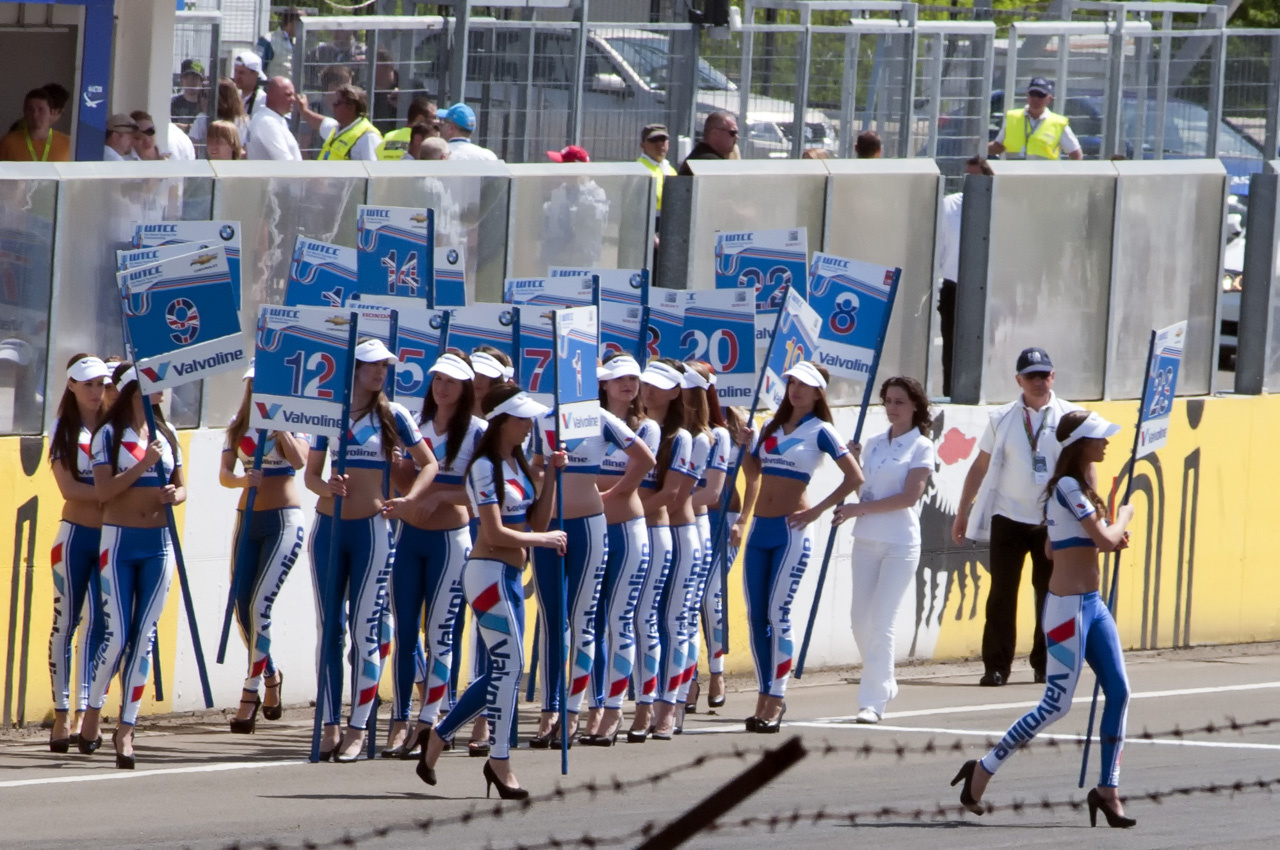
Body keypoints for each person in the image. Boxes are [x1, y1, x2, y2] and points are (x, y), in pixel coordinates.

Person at [953, 410, 1135, 828]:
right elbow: (1104, 540)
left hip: (1093, 605)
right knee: (1056, 704)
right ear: (1079, 445)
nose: (1106, 444)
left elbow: (1054, 550)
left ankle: (1108, 789)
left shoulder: (1078, 489)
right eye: (1099, 438)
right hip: (1066, 609)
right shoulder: (1069, 486)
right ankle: (982, 769)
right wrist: (1121, 518)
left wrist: (1093, 537)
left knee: (1121, 692)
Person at [414, 385, 568, 800]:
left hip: (512, 577)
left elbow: (536, 520)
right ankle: (499, 761)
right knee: (512, 665)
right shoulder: (484, 466)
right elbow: (496, 533)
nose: (529, 424)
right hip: (487, 577)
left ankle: (439, 735)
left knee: (505, 668)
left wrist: (552, 475)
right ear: (503, 420)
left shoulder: (516, 462)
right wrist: (547, 540)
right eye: (522, 418)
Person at [304, 339, 438, 761]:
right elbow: (310, 475)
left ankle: (359, 727)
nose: (380, 373)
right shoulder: (330, 412)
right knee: (329, 631)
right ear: (355, 369)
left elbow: (429, 462)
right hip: (328, 527)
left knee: (366, 633)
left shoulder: (394, 415)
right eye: (372, 366)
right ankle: (329, 724)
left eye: (385, 366)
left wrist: (411, 498)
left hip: (374, 531)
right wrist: (326, 486)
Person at [735, 361, 863, 732]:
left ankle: (776, 698)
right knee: (756, 616)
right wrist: (746, 448)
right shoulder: (770, 427)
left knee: (779, 614)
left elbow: (855, 476)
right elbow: (754, 470)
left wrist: (818, 511)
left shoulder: (821, 431)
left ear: (818, 392)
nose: (796, 390)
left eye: (805, 385)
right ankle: (762, 695)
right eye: (792, 382)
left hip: (792, 530)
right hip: (760, 527)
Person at [528, 355, 646, 745]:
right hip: (549, 527)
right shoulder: (542, 418)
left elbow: (644, 458)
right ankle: (549, 712)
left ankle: (573, 711)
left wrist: (613, 492)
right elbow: (532, 464)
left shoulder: (600, 418)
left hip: (591, 528)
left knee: (584, 620)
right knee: (550, 621)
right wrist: (546, 472)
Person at [952, 347, 1082, 687]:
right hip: (1008, 517)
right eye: (1031, 376)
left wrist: (1089, 512)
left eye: (1045, 374)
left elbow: (1085, 467)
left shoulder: (1070, 416)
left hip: (1051, 521)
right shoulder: (1002, 418)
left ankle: (1045, 663)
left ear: (1053, 376)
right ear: (1018, 380)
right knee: (1002, 594)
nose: (1039, 381)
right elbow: (979, 466)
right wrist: (963, 510)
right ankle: (996, 666)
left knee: (1049, 594)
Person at [380, 353, 486, 758]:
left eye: (452, 381)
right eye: (437, 379)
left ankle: (432, 720)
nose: (442, 388)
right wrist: (395, 469)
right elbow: (406, 483)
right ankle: (400, 720)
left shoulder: (478, 432)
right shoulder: (414, 426)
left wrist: (443, 493)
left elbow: (485, 493)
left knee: (441, 637)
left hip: (450, 543)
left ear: (465, 388)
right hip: (408, 539)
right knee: (405, 635)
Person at [79, 363, 185, 769]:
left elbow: (182, 483)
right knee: (118, 632)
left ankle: (127, 728)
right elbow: (104, 491)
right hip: (119, 541)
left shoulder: (167, 432)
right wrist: (142, 467)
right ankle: (93, 710)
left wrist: (176, 494)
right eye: (151, 384)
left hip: (158, 542)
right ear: (131, 390)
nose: (160, 390)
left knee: (146, 636)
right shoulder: (109, 434)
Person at [832, 377, 934, 724]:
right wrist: (854, 463)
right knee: (859, 619)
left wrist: (856, 510)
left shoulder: (921, 446)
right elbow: (866, 495)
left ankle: (872, 701)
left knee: (882, 621)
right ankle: (885, 679)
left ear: (915, 406)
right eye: (888, 401)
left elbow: (908, 497)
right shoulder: (873, 444)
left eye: (900, 402)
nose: (892, 408)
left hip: (900, 543)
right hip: (866, 539)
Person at [220, 368, 308, 733]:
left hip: (284, 522)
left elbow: (301, 461)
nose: (259, 390)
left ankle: (249, 694)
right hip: (248, 521)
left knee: (261, 606)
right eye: (255, 384)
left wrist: (280, 425)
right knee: (242, 607)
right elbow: (225, 474)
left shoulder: (294, 419)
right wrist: (243, 479)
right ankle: (270, 674)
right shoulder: (237, 424)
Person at [581, 354, 655, 745]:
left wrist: (609, 494)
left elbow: (643, 467)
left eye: (633, 378)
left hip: (627, 530)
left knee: (619, 619)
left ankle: (615, 709)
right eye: (618, 378)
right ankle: (594, 707)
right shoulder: (586, 421)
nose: (627, 384)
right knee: (589, 621)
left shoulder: (648, 428)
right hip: (592, 531)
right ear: (604, 384)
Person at [46, 355, 112, 752]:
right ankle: (60, 714)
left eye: (101, 383)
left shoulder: (114, 426)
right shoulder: (63, 430)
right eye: (87, 383)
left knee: (102, 628)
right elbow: (69, 489)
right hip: (73, 537)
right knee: (64, 625)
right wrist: (113, 493)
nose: (95, 391)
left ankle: (90, 714)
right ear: (71, 385)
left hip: (111, 538)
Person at [629, 359, 697, 741]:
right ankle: (641, 699)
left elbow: (672, 494)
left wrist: (620, 512)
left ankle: (665, 706)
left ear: (676, 392)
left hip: (659, 532)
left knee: (663, 619)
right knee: (631, 620)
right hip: (630, 531)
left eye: (659, 385)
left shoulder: (680, 438)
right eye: (645, 383)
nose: (648, 391)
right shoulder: (632, 427)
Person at [673, 362, 726, 723]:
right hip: (664, 526)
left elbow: (712, 493)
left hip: (697, 525)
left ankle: (712, 675)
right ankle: (684, 680)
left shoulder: (716, 436)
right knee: (676, 610)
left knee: (703, 602)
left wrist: (667, 503)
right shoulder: (668, 431)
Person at [699, 404, 746, 709]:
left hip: (725, 519)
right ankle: (687, 679)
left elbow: (753, 478)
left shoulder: (733, 420)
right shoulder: (677, 420)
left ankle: (717, 673)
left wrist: (742, 521)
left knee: (709, 597)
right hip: (688, 517)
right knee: (685, 600)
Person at [936, 155, 994, 398]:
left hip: (989, 288)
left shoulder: (997, 204)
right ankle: (952, 394)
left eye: (976, 178)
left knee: (987, 346)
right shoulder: (949, 205)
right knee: (952, 349)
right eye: (966, 177)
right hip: (954, 287)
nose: (970, 183)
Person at [989, 77, 1082, 161]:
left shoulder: (1058, 123)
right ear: (1027, 96)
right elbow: (998, 146)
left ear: (1049, 99)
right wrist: (980, 148)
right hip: (1014, 175)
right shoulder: (1012, 117)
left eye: (1041, 95)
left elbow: (1075, 153)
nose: (1035, 98)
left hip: (1042, 178)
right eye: (1032, 94)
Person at [303, 84, 381, 161]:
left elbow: (373, 170)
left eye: (338, 102)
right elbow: (320, 122)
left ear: (351, 107)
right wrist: (304, 110)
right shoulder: (337, 129)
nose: (333, 105)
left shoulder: (368, 136)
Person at [0, 88, 71, 162]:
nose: (35, 114)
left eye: (41, 110)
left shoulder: (68, 143)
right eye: (30, 109)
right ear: (24, 112)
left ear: (51, 112)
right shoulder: (8, 143)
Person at [245, 77, 303, 161]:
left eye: (293, 95)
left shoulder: (273, 119)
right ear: (271, 95)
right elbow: (285, 162)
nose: (294, 99)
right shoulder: (267, 122)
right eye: (288, 94)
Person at [678, 111, 738, 175]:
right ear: (715, 134)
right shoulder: (708, 161)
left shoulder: (702, 155)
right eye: (732, 133)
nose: (736, 137)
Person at [637, 124, 677, 215]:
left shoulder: (671, 170)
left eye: (663, 139)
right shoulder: (639, 170)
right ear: (642, 145)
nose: (660, 144)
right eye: (654, 140)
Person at [170, 60, 206, 131]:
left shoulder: (206, 104)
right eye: (186, 78)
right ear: (181, 80)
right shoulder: (173, 103)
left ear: (202, 81)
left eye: (194, 78)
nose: (190, 82)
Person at [268, 8, 301, 79]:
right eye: (301, 24)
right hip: (275, 88)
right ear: (293, 24)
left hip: (294, 88)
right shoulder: (269, 40)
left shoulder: (298, 41)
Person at [233, 51, 268, 118]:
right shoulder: (234, 96)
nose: (237, 76)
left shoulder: (262, 101)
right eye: (235, 71)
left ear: (255, 74)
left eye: (242, 73)